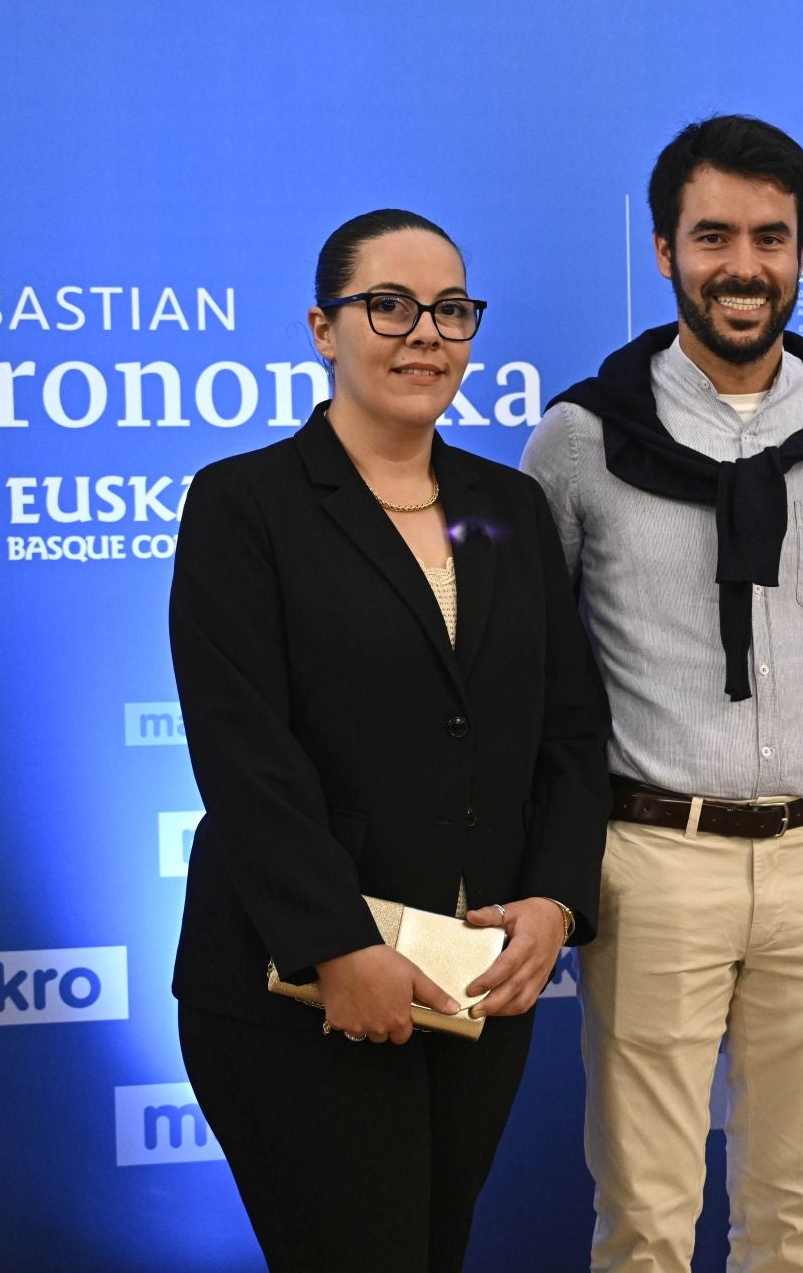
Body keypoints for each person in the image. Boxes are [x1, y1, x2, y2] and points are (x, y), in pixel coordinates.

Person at [168, 208, 613, 1271]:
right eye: (390, 305)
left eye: (451, 309)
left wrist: (555, 900)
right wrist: (336, 944)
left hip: (472, 987)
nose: (426, 332)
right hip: (300, 991)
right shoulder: (244, 505)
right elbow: (244, 752)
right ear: (325, 327)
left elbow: (570, 728)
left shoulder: (505, 506)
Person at [522, 115, 803, 1273]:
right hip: (653, 860)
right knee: (645, 1218)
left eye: (771, 238)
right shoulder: (582, 439)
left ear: (801, 252)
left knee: (795, 1214)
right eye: (715, 235)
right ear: (665, 247)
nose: (745, 266)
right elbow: (531, 665)